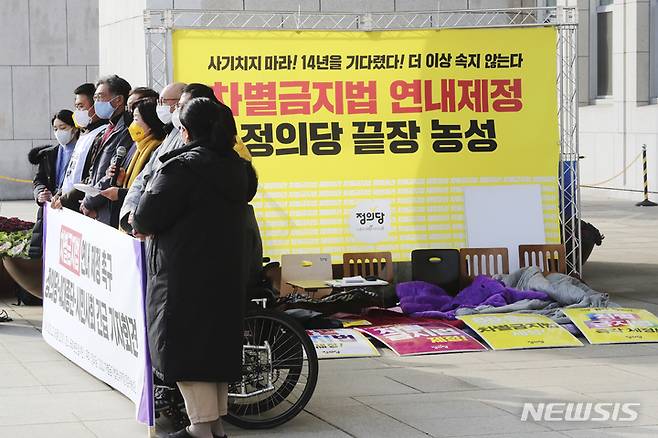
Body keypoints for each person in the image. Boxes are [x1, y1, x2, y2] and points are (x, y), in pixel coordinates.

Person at [133, 98, 257, 438]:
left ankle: (200, 428)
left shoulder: (182, 169)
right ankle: (214, 426)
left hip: (183, 274)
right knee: (213, 346)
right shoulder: (238, 168)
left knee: (188, 348)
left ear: (186, 131)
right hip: (225, 272)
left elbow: (146, 217)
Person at [119, 82, 186, 234]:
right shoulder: (169, 135)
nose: (160, 107)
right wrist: (131, 213)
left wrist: (142, 220)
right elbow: (141, 180)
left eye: (163, 102)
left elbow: (164, 189)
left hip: (159, 228)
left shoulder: (181, 140)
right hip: (143, 224)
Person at [79, 75, 134, 226]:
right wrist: (86, 199)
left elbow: (112, 174)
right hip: (96, 209)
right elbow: (93, 171)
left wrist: (89, 202)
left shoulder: (127, 131)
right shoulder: (105, 130)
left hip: (109, 211)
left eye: (101, 97)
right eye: (95, 98)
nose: (97, 102)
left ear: (118, 100)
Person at [99, 99, 166, 220]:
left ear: (150, 122)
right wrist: (120, 181)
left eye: (136, 119)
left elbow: (148, 190)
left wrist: (120, 193)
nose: (132, 124)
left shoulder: (156, 150)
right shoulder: (139, 147)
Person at [27, 110, 80, 258]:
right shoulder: (49, 154)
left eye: (63, 128)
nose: (58, 132)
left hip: (71, 209)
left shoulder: (82, 151)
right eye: (55, 129)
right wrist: (40, 193)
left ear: (74, 129)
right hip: (50, 210)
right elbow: (39, 179)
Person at [57, 83, 109, 198]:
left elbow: (92, 176)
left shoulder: (102, 134)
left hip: (82, 201)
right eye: (76, 107)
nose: (77, 111)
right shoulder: (84, 133)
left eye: (81, 106)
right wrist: (61, 193)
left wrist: (67, 198)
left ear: (95, 106)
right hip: (67, 200)